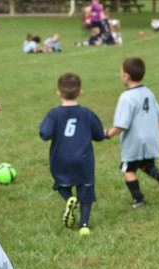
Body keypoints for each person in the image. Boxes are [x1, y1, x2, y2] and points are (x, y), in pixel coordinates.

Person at [39, 72, 107, 235]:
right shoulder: (88, 114)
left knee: (61, 183)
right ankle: (84, 224)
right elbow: (99, 136)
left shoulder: (54, 114)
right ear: (80, 92)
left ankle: (69, 198)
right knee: (85, 189)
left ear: (59, 93)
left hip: (60, 158)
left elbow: (44, 134)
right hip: (83, 159)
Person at [106, 57, 159, 209]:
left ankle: (139, 201)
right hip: (151, 136)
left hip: (134, 140)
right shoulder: (148, 92)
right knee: (145, 163)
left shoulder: (126, 97)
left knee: (128, 170)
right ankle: (157, 174)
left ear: (126, 76)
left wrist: (108, 134)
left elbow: (121, 125)